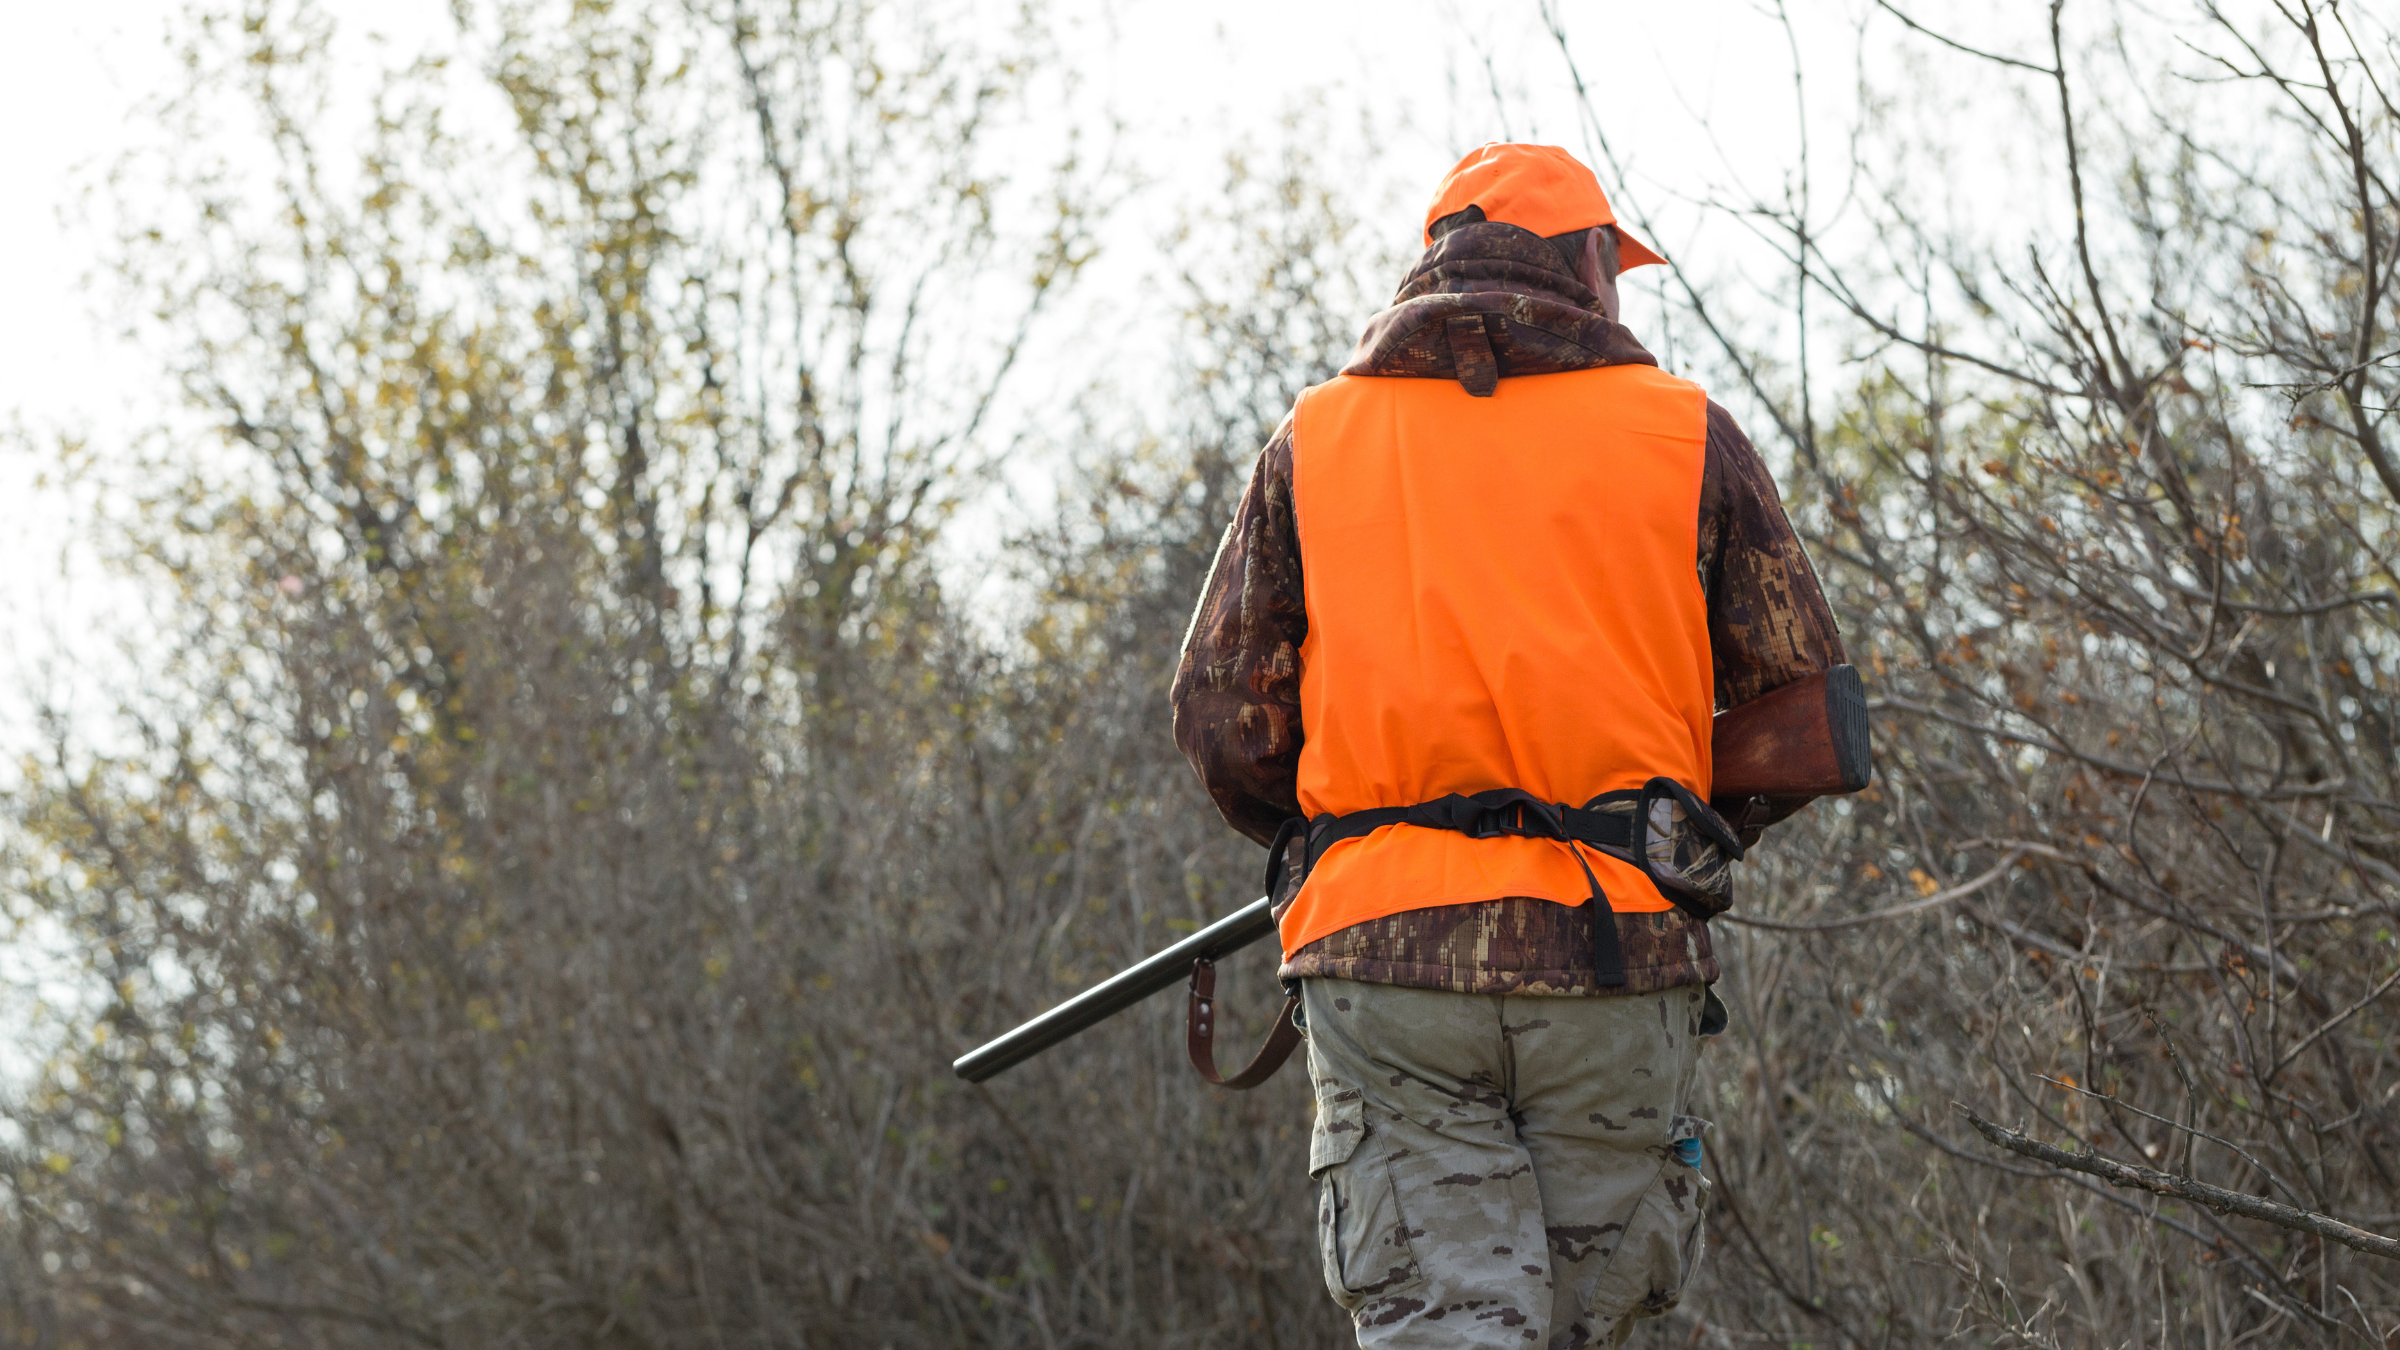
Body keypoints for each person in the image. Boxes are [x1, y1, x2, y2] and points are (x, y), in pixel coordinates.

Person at [1168, 143, 1847, 1348]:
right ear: (1588, 260)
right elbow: (1804, 715)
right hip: (1614, 955)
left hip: (1383, 968)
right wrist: (1678, 830)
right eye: (1617, 261)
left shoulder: (1315, 441)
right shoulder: (1684, 433)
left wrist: (1344, 842)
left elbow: (1226, 721)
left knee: (1448, 1331)